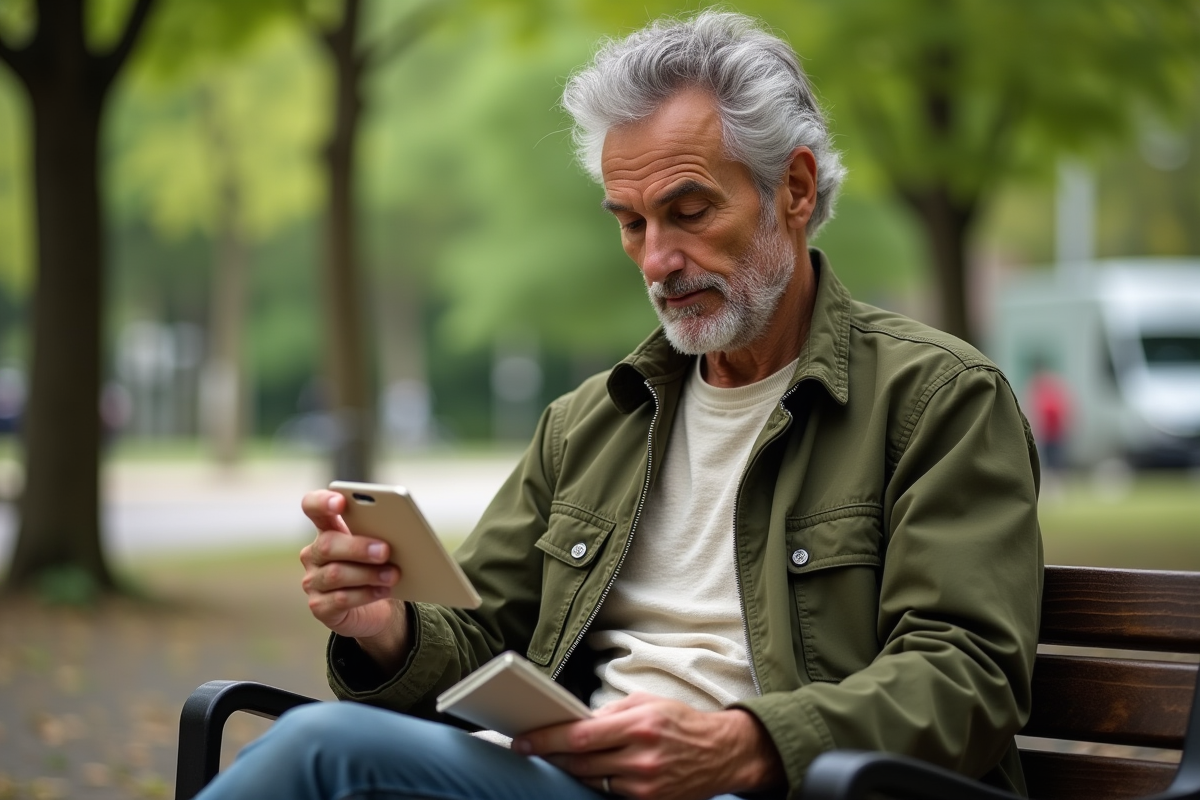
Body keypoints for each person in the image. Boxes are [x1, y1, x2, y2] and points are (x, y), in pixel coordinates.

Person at [197, 11, 1042, 800]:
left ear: (792, 187)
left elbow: (966, 673)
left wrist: (747, 743)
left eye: (688, 210)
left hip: (785, 788)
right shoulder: (592, 421)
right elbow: (479, 639)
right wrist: (386, 629)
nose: (658, 259)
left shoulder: (938, 400)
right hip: (577, 779)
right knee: (320, 746)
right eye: (631, 223)